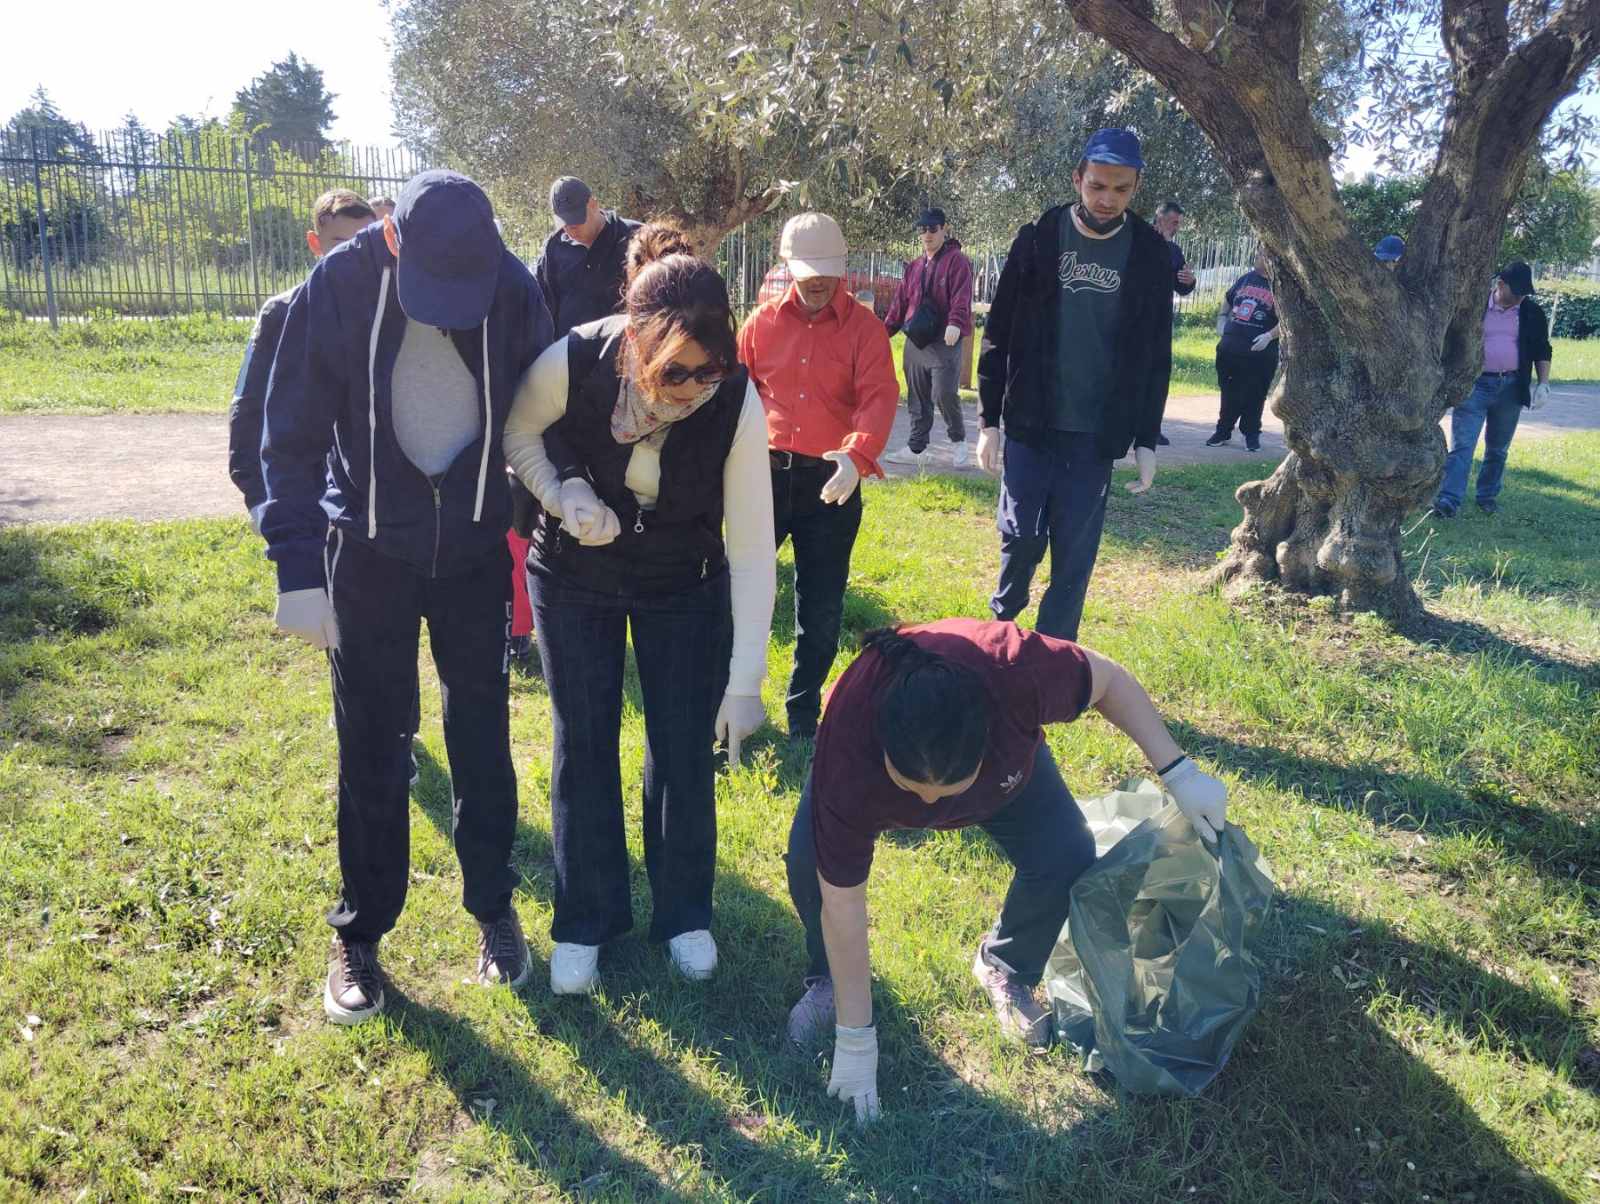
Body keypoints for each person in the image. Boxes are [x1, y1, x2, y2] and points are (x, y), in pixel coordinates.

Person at [260, 169, 555, 1024]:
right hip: (369, 551)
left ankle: (493, 908)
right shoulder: (339, 284)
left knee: (482, 735)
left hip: (472, 552)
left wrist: (553, 503)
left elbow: (546, 409)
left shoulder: (512, 287)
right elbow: (290, 430)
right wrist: (297, 567)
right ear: (392, 235)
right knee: (373, 743)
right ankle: (360, 933)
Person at [782, 619, 1229, 1124]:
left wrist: (1180, 773)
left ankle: (1006, 965)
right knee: (811, 866)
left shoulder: (1017, 671)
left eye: (947, 791)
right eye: (911, 788)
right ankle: (827, 980)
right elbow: (843, 901)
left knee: (1065, 852)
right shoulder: (848, 743)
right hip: (873, 774)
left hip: (1006, 782)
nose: (929, 809)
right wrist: (856, 1039)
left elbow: (1108, 681)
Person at [504, 224, 777, 996]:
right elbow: (519, 431)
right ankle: (585, 920)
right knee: (584, 741)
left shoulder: (736, 399)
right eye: (676, 372)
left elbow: (753, 548)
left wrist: (746, 681)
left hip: (683, 578)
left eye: (710, 370)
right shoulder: (576, 357)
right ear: (635, 342)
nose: (694, 389)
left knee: (683, 747)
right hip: (574, 572)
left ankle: (685, 912)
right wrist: (560, 490)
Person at [975, 128, 1175, 642]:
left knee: (1074, 556)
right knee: (1020, 538)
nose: (1107, 199)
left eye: (1121, 189)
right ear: (1077, 179)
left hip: (1095, 434)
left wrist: (1146, 439)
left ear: (1136, 187)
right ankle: (999, 636)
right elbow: (998, 333)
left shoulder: (1151, 254)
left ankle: (1056, 656)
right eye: (1097, 186)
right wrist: (988, 421)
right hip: (1030, 423)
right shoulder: (1038, 239)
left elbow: (1156, 354)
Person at [738, 213, 899, 741]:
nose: (819, 282)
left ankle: (803, 714)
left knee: (822, 605)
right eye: (809, 271)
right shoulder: (759, 324)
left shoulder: (865, 330)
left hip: (833, 480)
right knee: (743, 591)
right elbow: (736, 395)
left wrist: (857, 456)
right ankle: (735, 695)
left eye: (828, 271)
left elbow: (879, 396)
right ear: (787, 264)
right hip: (763, 476)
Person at [229, 190, 375, 530]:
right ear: (315, 242)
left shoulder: (382, 312)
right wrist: (259, 497)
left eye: (362, 244)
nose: (352, 256)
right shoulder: (281, 313)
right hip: (300, 493)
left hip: (359, 504)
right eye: (340, 244)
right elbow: (248, 406)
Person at [1432, 261, 1553, 518]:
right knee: (1463, 445)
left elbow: (1542, 348)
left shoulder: (1531, 312)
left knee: (1498, 448)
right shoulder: (1474, 307)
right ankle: (1449, 499)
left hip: (1511, 386)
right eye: (1516, 291)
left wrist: (1543, 383)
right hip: (1475, 384)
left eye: (1524, 293)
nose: (1520, 297)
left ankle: (1487, 496)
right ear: (1500, 284)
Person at [881, 208, 975, 469]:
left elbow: (962, 296)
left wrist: (956, 322)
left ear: (944, 229)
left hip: (945, 340)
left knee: (944, 393)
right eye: (922, 229)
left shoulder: (957, 261)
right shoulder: (913, 266)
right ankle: (917, 448)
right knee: (917, 397)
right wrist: (882, 333)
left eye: (932, 229)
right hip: (915, 341)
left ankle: (959, 442)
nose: (927, 234)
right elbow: (900, 303)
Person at [535, 176, 642, 338]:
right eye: (565, 222)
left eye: (576, 220)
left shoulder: (637, 238)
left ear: (593, 204)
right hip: (569, 350)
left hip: (625, 348)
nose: (571, 229)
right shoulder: (554, 249)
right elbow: (542, 308)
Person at [1206, 246, 1280, 453]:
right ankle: (1223, 431)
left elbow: (1288, 320)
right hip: (1230, 349)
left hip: (1259, 353)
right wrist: (1221, 321)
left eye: (1262, 254)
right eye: (1258, 253)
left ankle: (1251, 434)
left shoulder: (1281, 286)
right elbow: (1227, 302)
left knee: (1255, 394)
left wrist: (1269, 336)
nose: (1258, 257)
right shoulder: (1245, 279)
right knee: (1229, 392)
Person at [1152, 200, 1196, 447]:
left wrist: (1189, 281)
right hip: (1133, 323)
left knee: (1159, 376)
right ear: (1160, 218)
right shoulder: (1141, 241)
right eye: (1174, 222)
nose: (1177, 227)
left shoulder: (1174, 250)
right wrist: (1166, 243)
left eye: (1178, 223)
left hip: (1161, 324)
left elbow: (1182, 286)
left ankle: (1151, 428)